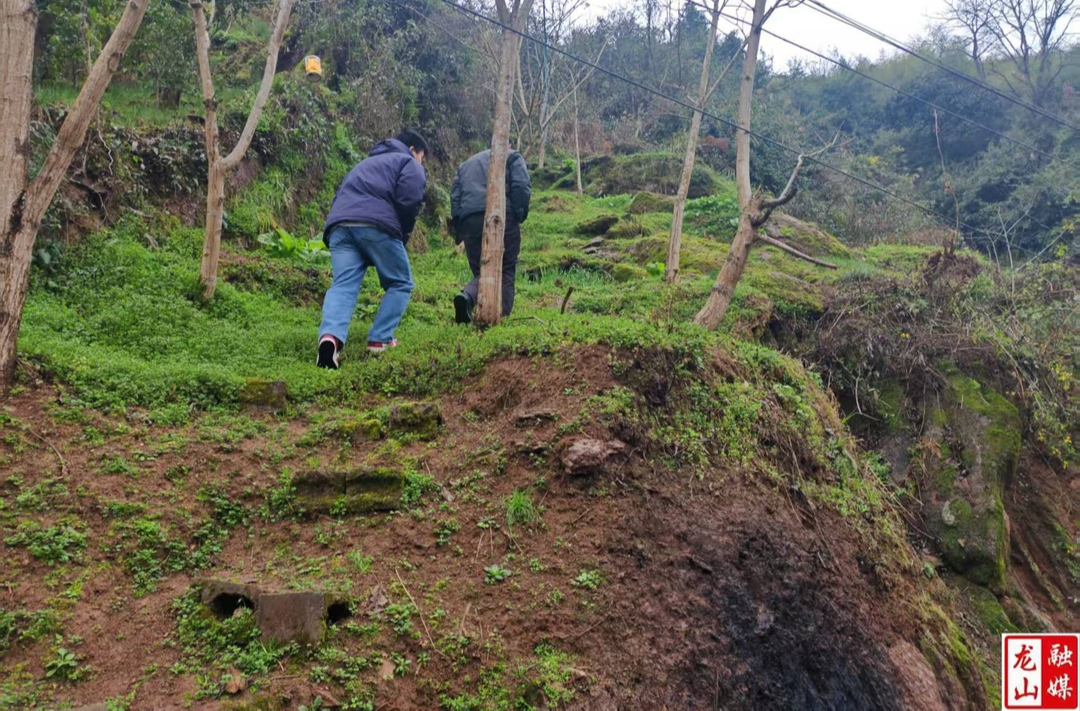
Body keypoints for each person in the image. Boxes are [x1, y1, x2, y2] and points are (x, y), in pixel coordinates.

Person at [316, 130, 428, 369]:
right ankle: (380, 339)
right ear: (412, 150)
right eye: (422, 157)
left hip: (339, 225)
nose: (421, 163)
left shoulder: (364, 163)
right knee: (401, 282)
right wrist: (402, 234)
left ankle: (330, 339)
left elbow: (339, 195)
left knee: (342, 284)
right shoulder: (407, 162)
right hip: (375, 224)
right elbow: (409, 201)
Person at [450, 140, 531, 324]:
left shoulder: (466, 165)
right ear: (506, 144)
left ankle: (467, 297)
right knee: (505, 269)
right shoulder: (512, 156)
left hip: (470, 218)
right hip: (502, 215)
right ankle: (500, 317)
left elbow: (455, 197)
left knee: (480, 269)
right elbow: (522, 187)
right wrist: (518, 214)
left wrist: (460, 225)